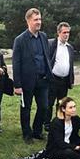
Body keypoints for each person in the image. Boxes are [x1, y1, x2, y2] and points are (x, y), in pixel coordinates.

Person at [12, 8, 52, 144]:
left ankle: (37, 130)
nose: (39, 22)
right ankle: (27, 134)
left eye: (40, 19)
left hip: (43, 80)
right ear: (28, 21)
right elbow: (16, 63)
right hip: (27, 81)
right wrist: (17, 85)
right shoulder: (20, 40)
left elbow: (46, 56)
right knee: (26, 108)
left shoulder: (44, 37)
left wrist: (48, 73)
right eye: (36, 19)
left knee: (44, 107)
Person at [45, 22, 75, 132]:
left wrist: (71, 79)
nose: (66, 35)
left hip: (64, 81)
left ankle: (58, 122)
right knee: (49, 103)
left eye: (68, 32)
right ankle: (47, 123)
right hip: (53, 79)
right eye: (64, 32)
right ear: (58, 33)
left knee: (61, 103)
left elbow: (70, 65)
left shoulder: (70, 48)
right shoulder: (51, 44)